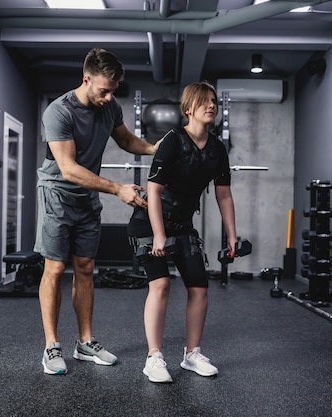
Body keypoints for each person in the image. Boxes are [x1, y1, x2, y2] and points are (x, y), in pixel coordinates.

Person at [35, 48, 160, 375]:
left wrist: (155, 149)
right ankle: (51, 346)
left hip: (87, 196)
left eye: (113, 91)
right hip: (58, 195)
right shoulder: (58, 112)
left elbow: (127, 140)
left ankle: (85, 342)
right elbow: (68, 169)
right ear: (86, 78)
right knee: (55, 267)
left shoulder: (110, 106)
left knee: (86, 267)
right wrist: (118, 188)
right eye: (103, 90)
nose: (108, 97)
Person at [128, 81, 239, 383]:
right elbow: (153, 190)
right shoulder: (173, 141)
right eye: (205, 101)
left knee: (199, 287)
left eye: (214, 101)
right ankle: (153, 357)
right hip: (149, 222)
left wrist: (232, 234)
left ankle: (192, 354)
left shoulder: (217, 149)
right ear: (188, 108)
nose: (212, 105)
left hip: (183, 225)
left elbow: (224, 194)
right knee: (161, 285)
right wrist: (159, 235)